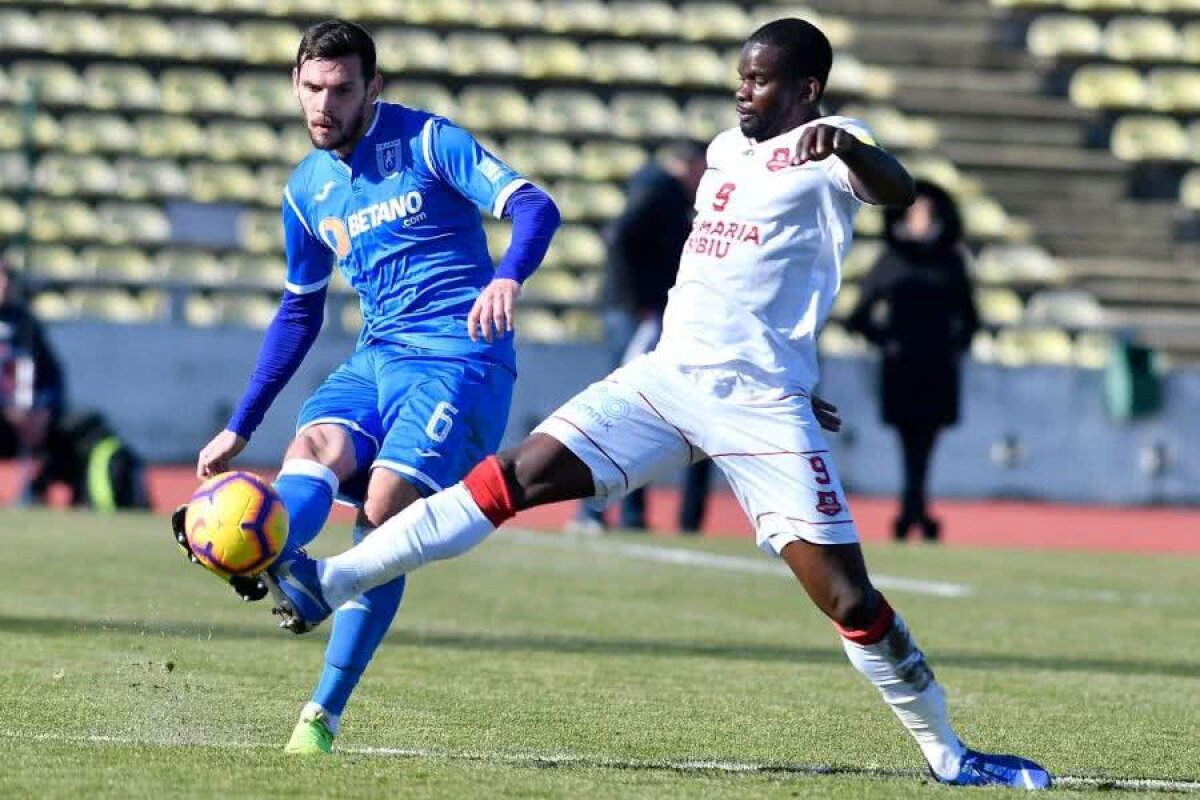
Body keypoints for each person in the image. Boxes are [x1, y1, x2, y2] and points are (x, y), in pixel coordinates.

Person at [259, 19, 1051, 789]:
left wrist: (846, 146)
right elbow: (739, 280)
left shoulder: (834, 144)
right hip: (667, 379)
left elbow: (899, 189)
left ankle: (949, 754)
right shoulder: (723, 152)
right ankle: (328, 582)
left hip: (757, 405)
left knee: (849, 598)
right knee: (514, 476)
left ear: (806, 88)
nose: (743, 91)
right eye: (740, 75)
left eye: (760, 78)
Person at [171, 20, 560, 754]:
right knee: (312, 446)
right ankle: (275, 560)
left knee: (385, 509)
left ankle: (322, 713)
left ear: (372, 89)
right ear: (295, 85)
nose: (324, 104)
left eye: (342, 89)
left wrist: (508, 275)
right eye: (312, 88)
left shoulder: (428, 141)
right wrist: (241, 425)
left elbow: (536, 205)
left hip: (459, 360)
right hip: (376, 357)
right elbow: (299, 308)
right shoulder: (306, 189)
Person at [572, 139, 712, 534]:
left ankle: (617, 513)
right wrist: (641, 302)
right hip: (639, 317)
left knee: (632, 412)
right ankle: (597, 511)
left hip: (640, 314)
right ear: (690, 165)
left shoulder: (659, 192)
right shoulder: (658, 193)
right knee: (627, 410)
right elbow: (620, 238)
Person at [846, 181, 979, 543]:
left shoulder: (951, 260)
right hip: (902, 365)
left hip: (937, 366)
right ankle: (915, 512)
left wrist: (954, 346)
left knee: (926, 444)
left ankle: (913, 511)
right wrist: (887, 341)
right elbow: (858, 316)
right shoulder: (891, 259)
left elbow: (970, 317)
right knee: (910, 443)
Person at [0, 255, 66, 503]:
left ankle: (38, 490)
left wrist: (44, 409)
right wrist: (7, 408)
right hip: (5, 414)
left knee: (70, 432)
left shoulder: (25, 323)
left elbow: (52, 373)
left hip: (28, 415)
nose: (4, 283)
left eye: (8, 277)